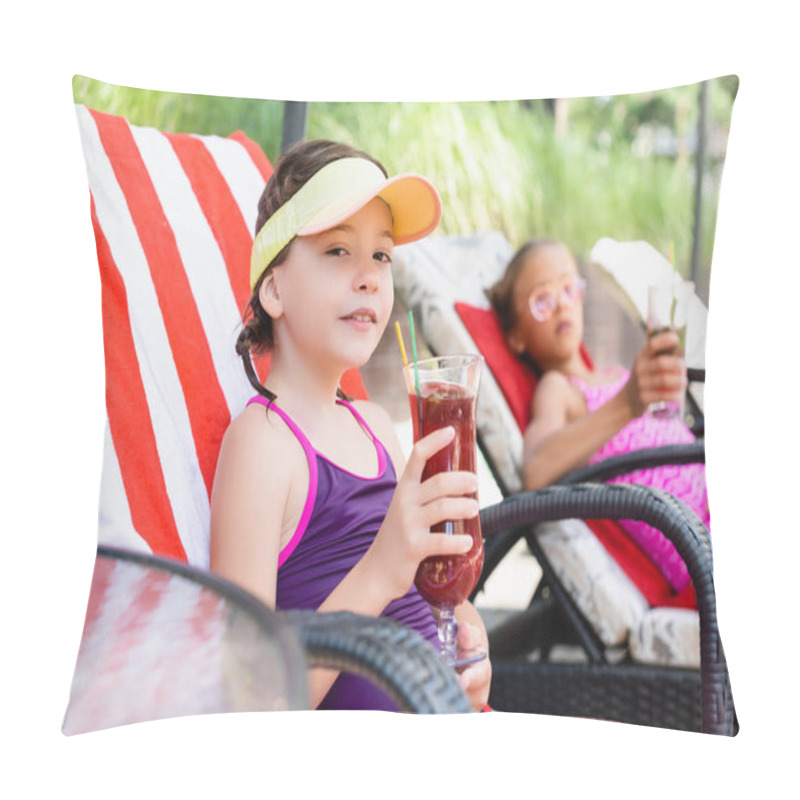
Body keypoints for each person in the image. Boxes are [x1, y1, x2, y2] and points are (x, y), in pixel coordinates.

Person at [209, 140, 491, 711]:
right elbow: (251, 703)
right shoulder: (263, 444)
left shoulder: (376, 427)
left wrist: (464, 625)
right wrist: (381, 570)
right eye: (338, 250)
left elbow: (417, 595)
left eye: (382, 256)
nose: (368, 276)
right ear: (274, 288)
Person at [487, 237, 709, 593]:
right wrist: (628, 403)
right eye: (542, 300)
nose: (562, 305)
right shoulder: (559, 390)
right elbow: (536, 470)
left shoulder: (616, 375)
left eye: (569, 288)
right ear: (516, 336)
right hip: (696, 543)